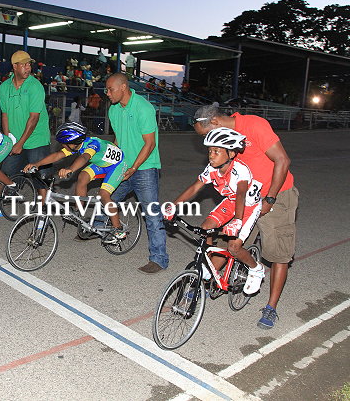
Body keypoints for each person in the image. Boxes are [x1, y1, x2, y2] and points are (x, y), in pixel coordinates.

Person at [192, 102, 297, 329]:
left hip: (276, 194)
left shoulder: (254, 125)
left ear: (215, 122)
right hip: (245, 198)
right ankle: (205, 282)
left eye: (207, 134)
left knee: (278, 253)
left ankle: (271, 307)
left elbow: (282, 160)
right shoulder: (225, 142)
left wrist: (270, 198)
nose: (208, 142)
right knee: (228, 243)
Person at [163, 127, 266, 294]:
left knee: (233, 247)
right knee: (205, 229)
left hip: (248, 206)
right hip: (231, 202)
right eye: (210, 151)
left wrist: (237, 221)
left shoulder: (240, 170)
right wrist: (173, 205)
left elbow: (241, 194)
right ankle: (208, 265)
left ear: (231, 153)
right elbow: (194, 188)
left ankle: (256, 269)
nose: (211, 155)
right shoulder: (212, 169)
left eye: (216, 151)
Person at [23, 122, 128, 244]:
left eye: (64, 143)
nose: (62, 146)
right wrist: (37, 164)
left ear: (73, 143)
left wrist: (70, 169)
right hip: (102, 164)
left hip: (117, 165)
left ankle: (118, 229)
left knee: (103, 194)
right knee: (82, 177)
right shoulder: (77, 145)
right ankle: (78, 210)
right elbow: (58, 155)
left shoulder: (93, 144)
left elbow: (84, 157)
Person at [105, 73, 169, 273]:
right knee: (107, 198)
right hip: (124, 167)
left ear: (123, 87)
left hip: (144, 168)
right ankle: (96, 229)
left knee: (152, 215)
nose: (107, 94)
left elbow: (150, 144)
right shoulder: (114, 110)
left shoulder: (143, 108)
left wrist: (134, 168)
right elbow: (118, 139)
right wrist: (109, 162)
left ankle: (159, 259)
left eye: (110, 89)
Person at [0, 50, 51, 186]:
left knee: (41, 178)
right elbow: (5, 114)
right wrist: (8, 140)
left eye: (29, 64)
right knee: (6, 174)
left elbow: (34, 118)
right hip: (16, 140)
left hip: (36, 140)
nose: (28, 68)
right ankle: (4, 198)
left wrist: (20, 144)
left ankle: (43, 200)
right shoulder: (4, 87)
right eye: (24, 65)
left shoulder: (35, 86)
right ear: (15, 66)